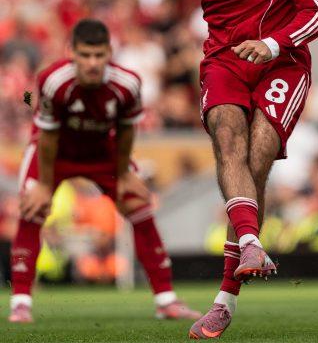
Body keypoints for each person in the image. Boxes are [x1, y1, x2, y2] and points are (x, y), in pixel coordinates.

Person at [173, 0, 318, 339]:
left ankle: (225, 298)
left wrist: (271, 43)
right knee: (228, 141)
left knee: (255, 160)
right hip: (223, 59)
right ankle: (250, 246)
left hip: (281, 61)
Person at [8, 19, 200, 324]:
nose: (92, 63)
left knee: (140, 208)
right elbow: (47, 135)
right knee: (32, 211)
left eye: (99, 55)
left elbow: (126, 130)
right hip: (55, 152)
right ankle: (20, 303)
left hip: (102, 151)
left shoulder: (127, 84)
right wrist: (43, 185)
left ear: (110, 52)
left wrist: (124, 174)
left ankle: (166, 300)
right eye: (85, 55)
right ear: (72, 53)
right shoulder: (53, 80)